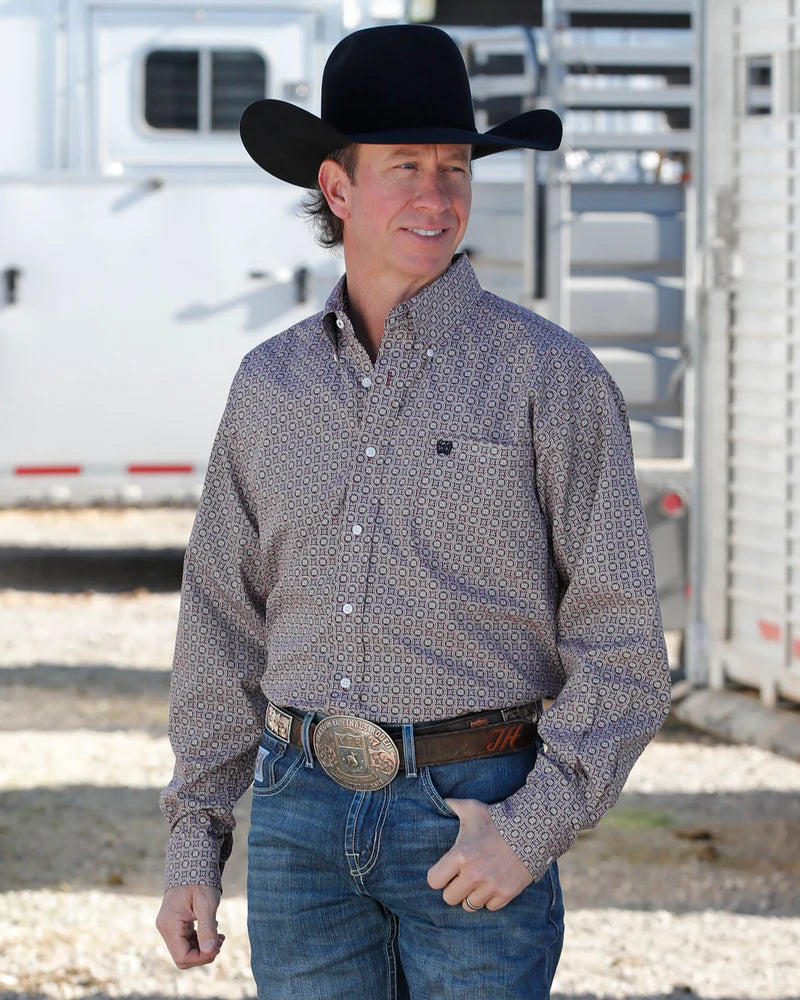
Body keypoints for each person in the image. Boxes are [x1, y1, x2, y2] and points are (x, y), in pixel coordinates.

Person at [156, 23, 670, 1000]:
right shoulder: (267, 387)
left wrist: (530, 828)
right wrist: (195, 840)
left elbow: (622, 640)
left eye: (455, 168)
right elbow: (220, 622)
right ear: (337, 187)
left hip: (476, 811)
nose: (438, 197)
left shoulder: (550, 378)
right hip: (298, 822)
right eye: (405, 167)